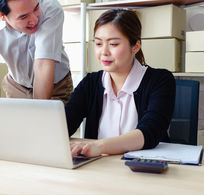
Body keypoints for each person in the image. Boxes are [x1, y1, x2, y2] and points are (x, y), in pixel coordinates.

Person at [66, 9, 175, 157]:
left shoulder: (160, 80)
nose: (103, 52)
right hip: (98, 168)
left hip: (142, 170)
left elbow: (150, 132)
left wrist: (99, 146)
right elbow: (65, 124)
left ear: (135, 46)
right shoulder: (90, 83)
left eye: (113, 44)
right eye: (98, 43)